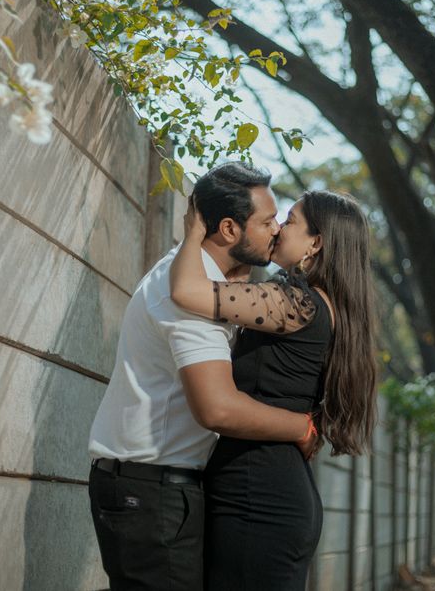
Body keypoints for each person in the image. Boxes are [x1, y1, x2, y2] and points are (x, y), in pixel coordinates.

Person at [87, 162, 318, 591]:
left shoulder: (207, 280)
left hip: (158, 486)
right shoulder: (188, 293)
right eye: (267, 221)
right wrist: (301, 427)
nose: (277, 231)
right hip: (151, 489)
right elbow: (217, 408)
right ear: (229, 229)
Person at [169, 189, 379, 590]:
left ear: (316, 243)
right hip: (273, 489)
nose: (280, 229)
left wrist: (194, 231)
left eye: (292, 221)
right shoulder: (323, 304)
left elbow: (185, 292)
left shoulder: (295, 302)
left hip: (258, 497)